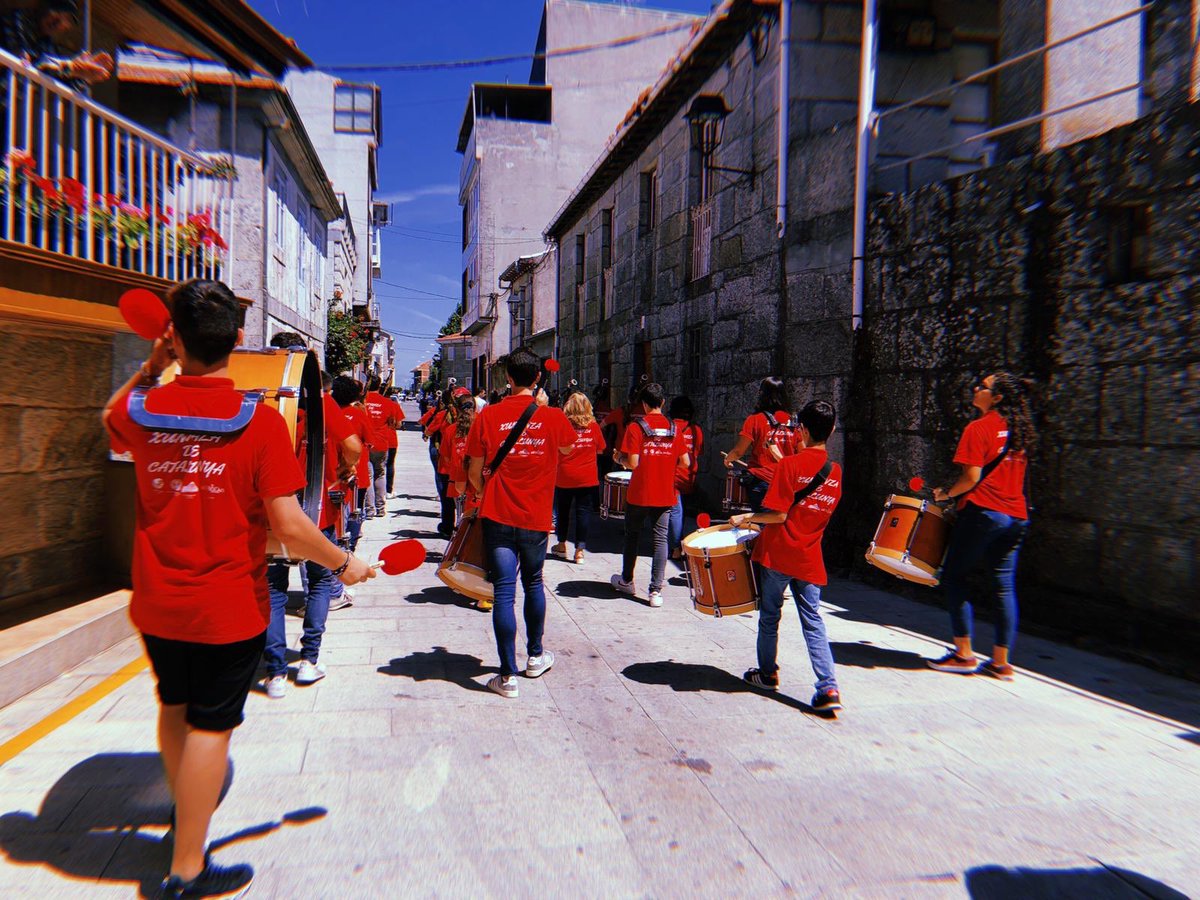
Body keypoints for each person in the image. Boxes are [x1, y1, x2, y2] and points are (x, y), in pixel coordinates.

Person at [102, 279, 374, 898]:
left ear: (175, 338)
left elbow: (111, 416)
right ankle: (187, 868)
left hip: (158, 601)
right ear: (240, 339)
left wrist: (152, 363)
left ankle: (186, 815)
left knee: (174, 705)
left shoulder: (145, 410)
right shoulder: (257, 422)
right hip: (226, 606)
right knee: (211, 727)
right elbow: (289, 525)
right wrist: (343, 563)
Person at [466, 349, 576, 699]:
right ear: (538, 378)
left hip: (497, 514)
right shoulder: (553, 417)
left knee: (503, 591)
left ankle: (506, 676)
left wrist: (483, 491)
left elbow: (473, 470)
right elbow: (567, 451)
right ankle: (535, 655)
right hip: (535, 517)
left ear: (508, 379)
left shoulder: (488, 415)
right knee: (533, 583)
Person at [261, 335, 361, 701]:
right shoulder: (320, 400)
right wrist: (345, 468)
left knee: (273, 587)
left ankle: (274, 672)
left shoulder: (264, 398)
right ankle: (308, 660)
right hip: (316, 508)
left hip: (272, 510)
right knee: (319, 582)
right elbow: (352, 445)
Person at [730, 400, 843, 712]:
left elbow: (778, 515)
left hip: (779, 555)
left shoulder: (789, 466)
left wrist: (747, 517)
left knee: (770, 616)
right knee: (813, 620)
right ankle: (828, 687)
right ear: (832, 430)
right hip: (809, 555)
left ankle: (767, 674)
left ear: (801, 430)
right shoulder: (835, 472)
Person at [926, 372, 1035, 680]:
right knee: (1003, 586)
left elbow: (971, 479)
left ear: (996, 397)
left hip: (985, 512)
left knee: (954, 576)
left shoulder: (979, 427)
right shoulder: (1019, 429)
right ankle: (1001, 663)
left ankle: (963, 654)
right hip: (1016, 516)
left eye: (983, 387)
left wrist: (945, 494)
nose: (976, 388)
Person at [610, 382, 689, 608]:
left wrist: (618, 458)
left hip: (639, 493)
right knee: (660, 539)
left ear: (644, 404)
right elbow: (685, 462)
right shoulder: (674, 428)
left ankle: (627, 580)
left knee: (632, 536)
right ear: (662, 402)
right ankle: (655, 591)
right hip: (665, 492)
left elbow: (633, 463)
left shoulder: (636, 427)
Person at [723, 376, 799, 511]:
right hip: (787, 482)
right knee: (781, 520)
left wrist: (728, 459)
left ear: (761, 395)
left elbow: (739, 452)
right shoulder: (793, 422)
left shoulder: (755, 420)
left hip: (762, 481)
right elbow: (802, 453)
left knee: (762, 520)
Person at [1, 0, 112, 89]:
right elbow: (24, 61)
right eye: (56, 11)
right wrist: (70, 68)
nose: (58, 21)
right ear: (43, 6)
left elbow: (59, 83)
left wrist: (84, 77)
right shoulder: (17, 20)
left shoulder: (47, 45)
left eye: (66, 18)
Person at [551, 390, 604, 564]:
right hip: (586, 476)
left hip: (564, 476)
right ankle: (580, 550)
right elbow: (600, 449)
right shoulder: (593, 427)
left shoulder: (563, 425)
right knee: (583, 513)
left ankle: (561, 545)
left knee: (563, 511)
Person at [331, 376, 373, 552]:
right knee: (356, 508)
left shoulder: (327, 412)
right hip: (356, 471)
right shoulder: (358, 414)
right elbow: (369, 440)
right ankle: (351, 545)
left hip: (330, 472)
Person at [667, 395, 703, 559]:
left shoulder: (670, 428)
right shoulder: (697, 430)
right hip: (689, 477)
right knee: (681, 513)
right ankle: (681, 543)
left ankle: (675, 548)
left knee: (675, 513)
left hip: (672, 476)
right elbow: (698, 452)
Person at [363, 375, 400, 513]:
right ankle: (380, 507)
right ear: (379, 386)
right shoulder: (388, 403)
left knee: (368, 475)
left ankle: (369, 509)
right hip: (381, 442)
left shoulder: (362, 401)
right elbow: (396, 424)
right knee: (380, 473)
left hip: (365, 442)